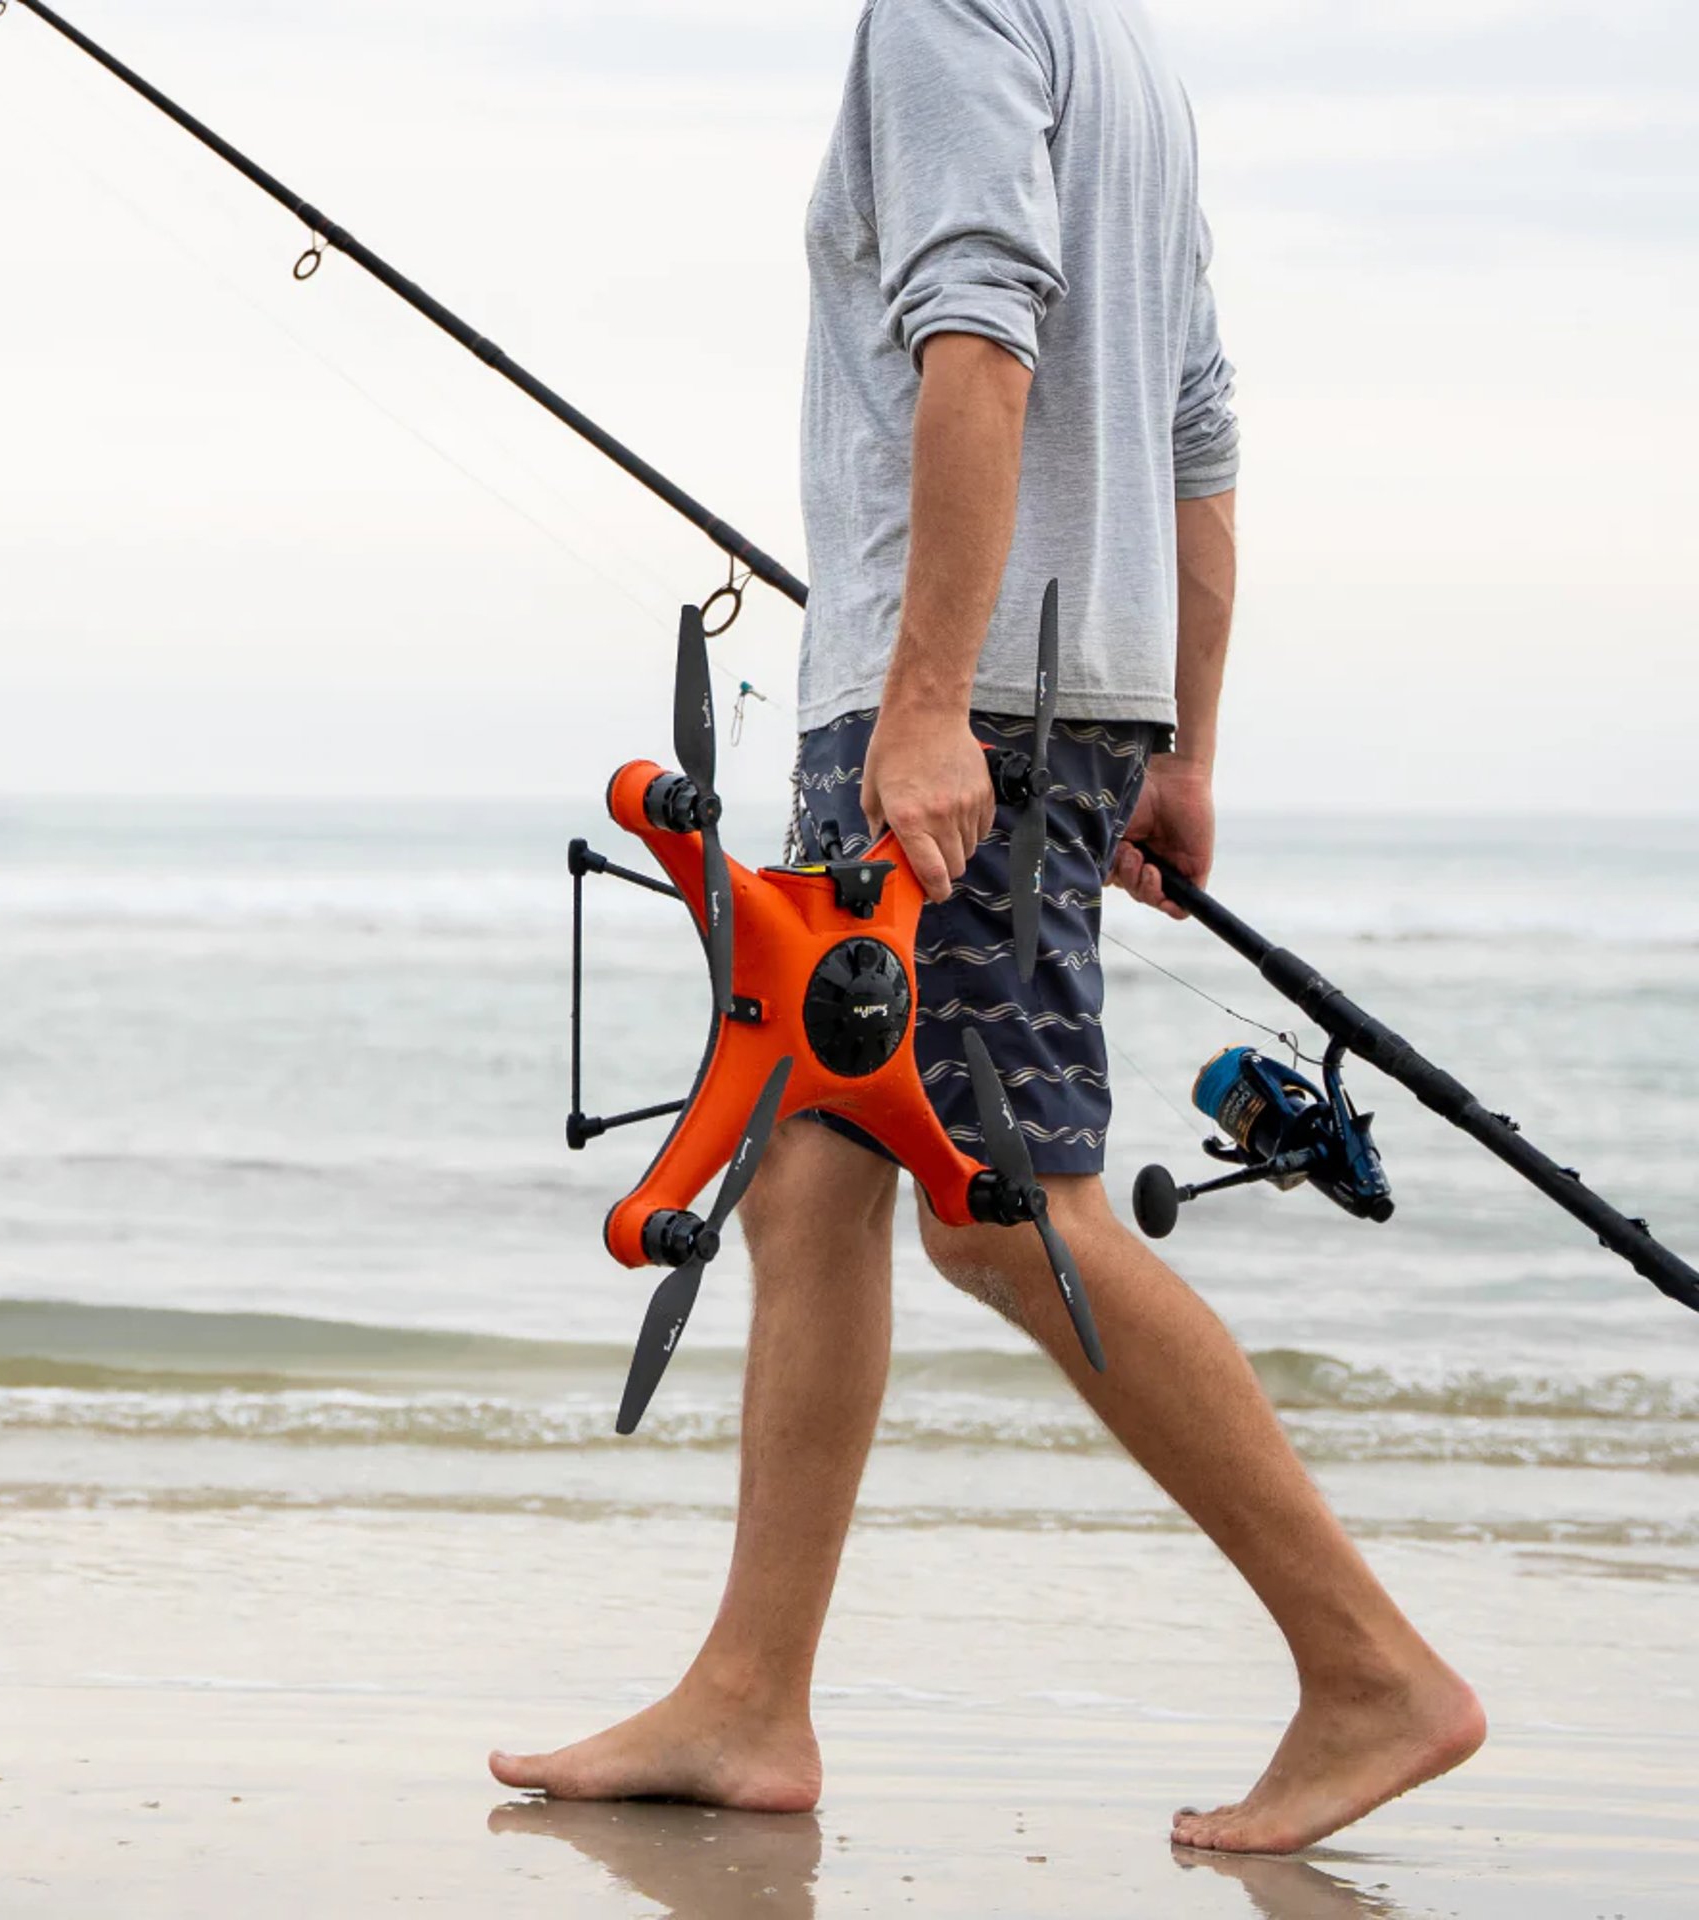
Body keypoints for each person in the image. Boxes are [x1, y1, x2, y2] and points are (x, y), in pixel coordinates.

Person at [493, 0, 1486, 1854]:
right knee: (808, 1170)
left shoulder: (953, 12)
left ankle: (1370, 1671)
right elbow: (1198, 413)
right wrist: (1179, 740)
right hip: (1047, 704)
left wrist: (928, 701)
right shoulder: (1118, 44)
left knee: (1009, 1210)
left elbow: (982, 339)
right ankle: (747, 1700)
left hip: (957, 715)